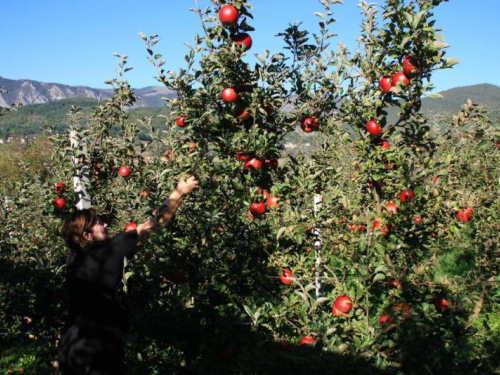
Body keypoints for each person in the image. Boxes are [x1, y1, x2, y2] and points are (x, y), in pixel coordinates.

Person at [58, 176, 200, 375]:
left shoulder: (74, 259)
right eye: (99, 223)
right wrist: (179, 192)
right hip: (95, 349)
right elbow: (153, 224)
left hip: (71, 347)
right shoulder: (107, 251)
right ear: (87, 236)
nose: (105, 225)